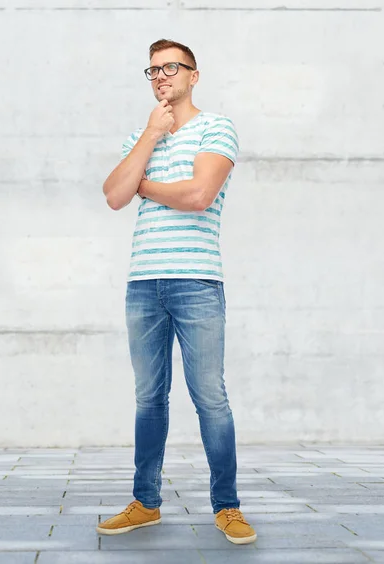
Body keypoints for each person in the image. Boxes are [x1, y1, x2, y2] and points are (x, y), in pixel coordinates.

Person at [97, 39, 256, 545]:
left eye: (171, 67)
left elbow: (197, 195)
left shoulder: (217, 127)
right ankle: (146, 503)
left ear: (194, 75)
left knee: (210, 397)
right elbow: (113, 195)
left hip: (196, 281)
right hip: (143, 283)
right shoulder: (141, 136)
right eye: (153, 70)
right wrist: (150, 133)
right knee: (149, 398)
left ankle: (226, 507)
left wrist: (145, 185)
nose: (161, 76)